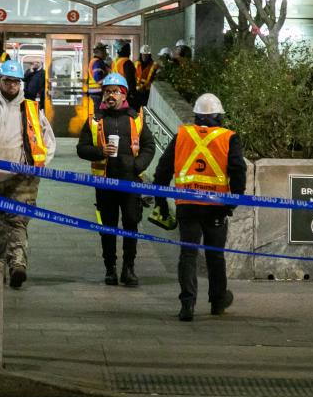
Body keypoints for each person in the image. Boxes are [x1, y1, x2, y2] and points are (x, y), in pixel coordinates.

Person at [153, 93, 246, 322]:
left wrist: (160, 201)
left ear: (196, 115)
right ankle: (218, 302)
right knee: (215, 255)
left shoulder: (182, 135)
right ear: (219, 116)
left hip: (187, 206)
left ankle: (187, 305)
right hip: (216, 207)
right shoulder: (229, 138)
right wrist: (233, 202)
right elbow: (238, 170)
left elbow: (163, 169)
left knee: (188, 255)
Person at [0, 60, 56, 289]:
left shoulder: (32, 109)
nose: (12, 85)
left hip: (22, 176)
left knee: (17, 220)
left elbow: (47, 139)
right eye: (8, 80)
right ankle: (0, 264)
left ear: (21, 83)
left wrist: (39, 163)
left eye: (16, 81)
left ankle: (17, 265)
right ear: (0, 81)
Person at [76, 72, 156, 287]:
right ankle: (110, 268)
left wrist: (138, 166)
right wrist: (99, 151)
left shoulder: (136, 119)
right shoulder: (94, 120)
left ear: (124, 95)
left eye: (115, 91)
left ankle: (128, 269)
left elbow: (149, 146)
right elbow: (81, 149)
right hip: (104, 183)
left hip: (130, 183)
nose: (110, 95)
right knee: (108, 227)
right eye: (107, 91)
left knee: (131, 223)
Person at [111, 43, 139, 108]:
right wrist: (132, 93)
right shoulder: (127, 62)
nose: (130, 52)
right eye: (129, 50)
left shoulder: (114, 62)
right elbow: (130, 79)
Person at [84, 42, 109, 112]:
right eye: (104, 51)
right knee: (98, 115)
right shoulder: (97, 63)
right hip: (97, 94)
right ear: (99, 52)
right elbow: (98, 79)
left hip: (95, 94)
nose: (106, 53)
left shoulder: (94, 61)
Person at [134, 44, 158, 109]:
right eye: (143, 55)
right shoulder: (136, 64)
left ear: (149, 55)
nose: (144, 56)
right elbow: (134, 76)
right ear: (141, 54)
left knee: (144, 108)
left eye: (146, 55)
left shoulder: (154, 65)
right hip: (136, 90)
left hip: (146, 91)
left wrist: (143, 86)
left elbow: (153, 79)